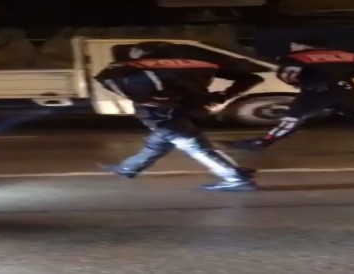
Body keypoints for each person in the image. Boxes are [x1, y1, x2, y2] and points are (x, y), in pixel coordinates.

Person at [94, 41, 265, 192]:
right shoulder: (200, 64)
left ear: (141, 53)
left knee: (193, 146)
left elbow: (104, 78)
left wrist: (144, 97)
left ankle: (235, 178)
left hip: (160, 112)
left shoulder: (135, 66)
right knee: (158, 143)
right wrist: (224, 96)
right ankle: (128, 168)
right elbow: (252, 78)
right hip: (195, 107)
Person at [222, 37, 354, 154]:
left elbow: (288, 75)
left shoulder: (296, 58)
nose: (292, 47)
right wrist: (349, 74)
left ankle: (261, 143)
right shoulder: (344, 54)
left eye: (295, 44)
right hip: (345, 90)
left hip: (316, 92)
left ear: (304, 45)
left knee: (291, 120)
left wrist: (297, 83)